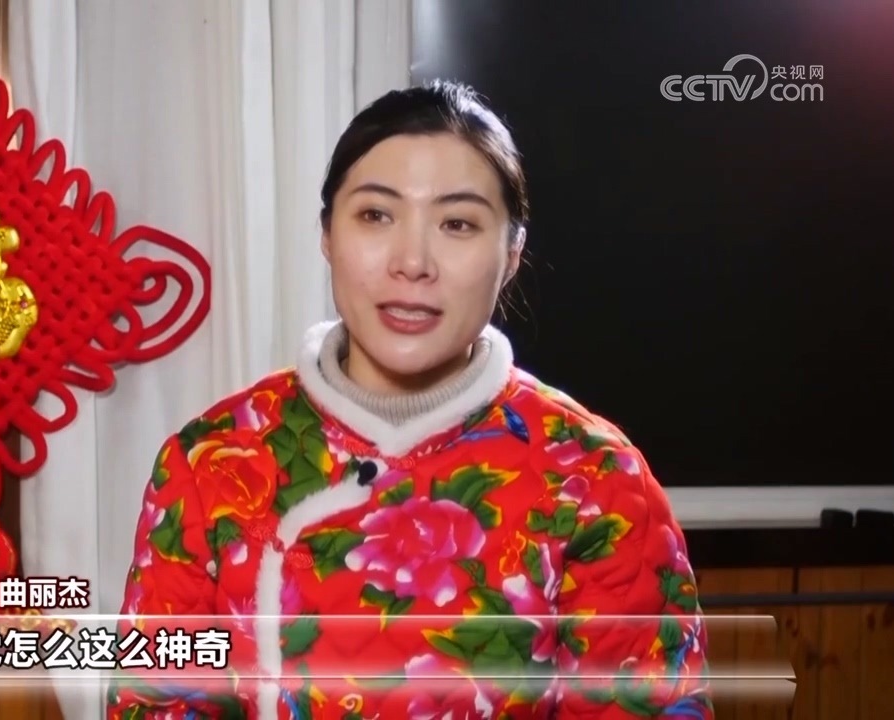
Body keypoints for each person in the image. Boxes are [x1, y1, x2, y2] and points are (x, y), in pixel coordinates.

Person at [107, 80, 712, 719]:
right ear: (327, 233)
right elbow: (154, 703)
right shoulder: (212, 461)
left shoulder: (595, 481)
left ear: (512, 252)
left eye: (457, 223)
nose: (413, 261)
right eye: (375, 215)